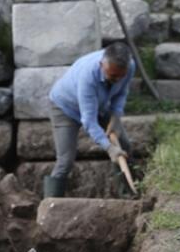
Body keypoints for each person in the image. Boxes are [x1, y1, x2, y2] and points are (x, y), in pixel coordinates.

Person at [42, 43, 135, 198]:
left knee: (124, 146)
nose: (118, 79)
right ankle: (50, 204)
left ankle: (129, 194)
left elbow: (121, 93)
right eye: (113, 76)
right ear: (101, 65)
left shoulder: (129, 66)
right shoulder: (88, 75)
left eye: (121, 76)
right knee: (66, 161)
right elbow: (89, 121)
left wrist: (116, 116)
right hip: (65, 108)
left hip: (99, 105)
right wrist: (109, 148)